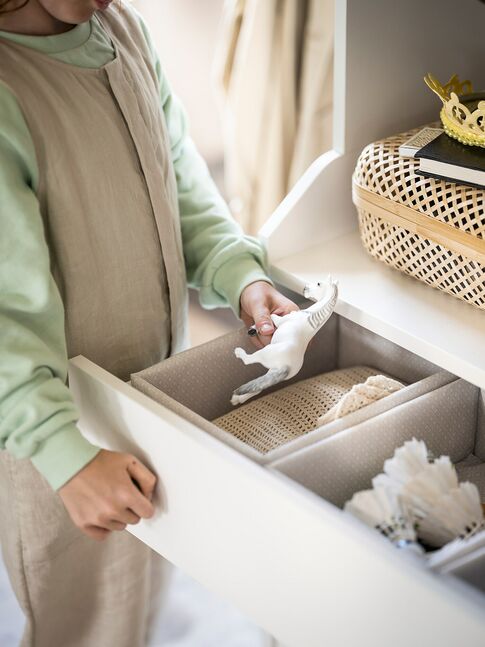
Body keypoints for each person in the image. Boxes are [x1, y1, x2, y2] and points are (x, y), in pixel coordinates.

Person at [0, 0, 299, 645]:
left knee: (141, 594)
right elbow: (6, 316)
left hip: (152, 403)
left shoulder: (124, 31)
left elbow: (179, 180)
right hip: (61, 440)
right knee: (84, 622)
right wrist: (63, 456)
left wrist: (239, 274)